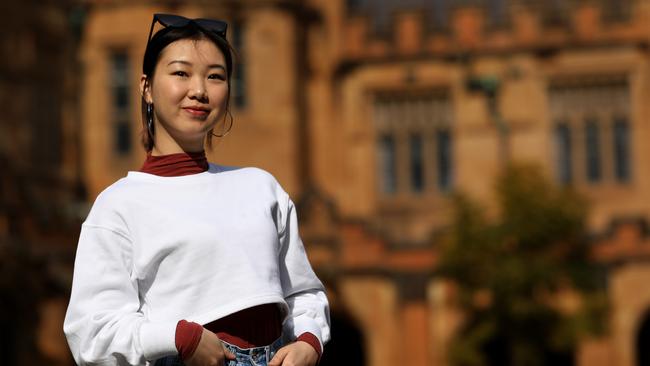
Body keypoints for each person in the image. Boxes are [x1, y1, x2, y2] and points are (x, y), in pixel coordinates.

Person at [63, 14, 330, 366]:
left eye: (215, 76)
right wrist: (179, 337)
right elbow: (91, 333)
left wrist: (309, 340)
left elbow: (304, 291)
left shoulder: (262, 186)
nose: (200, 90)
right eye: (180, 73)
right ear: (146, 86)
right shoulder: (117, 205)